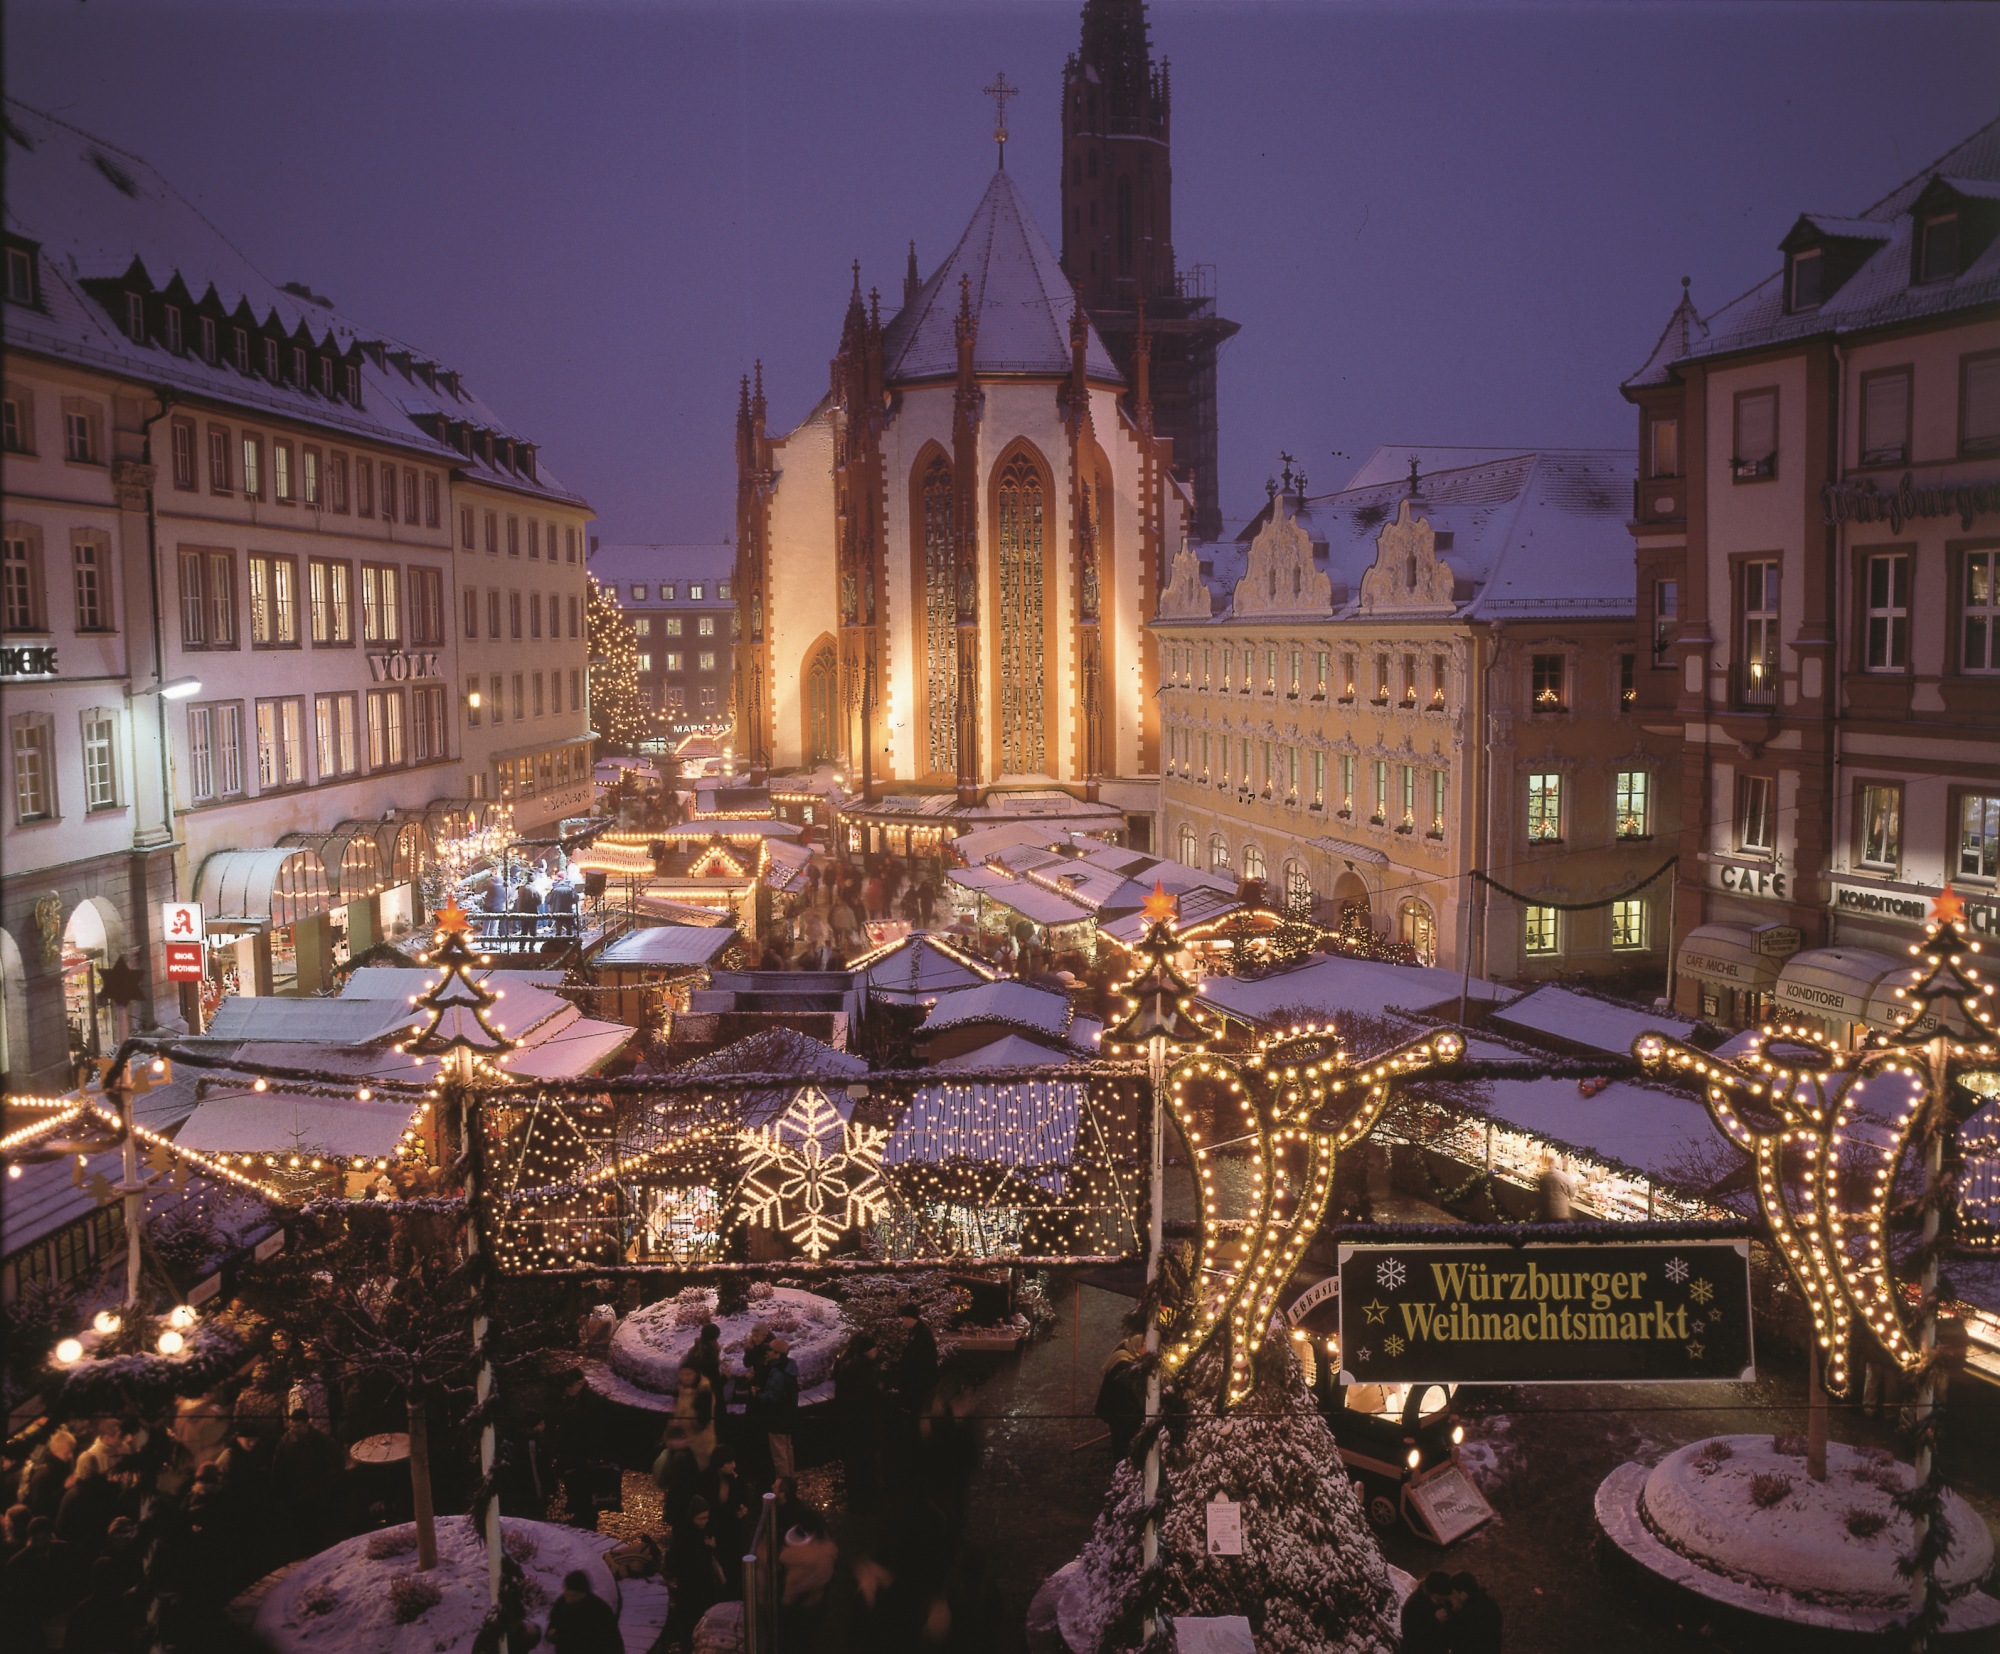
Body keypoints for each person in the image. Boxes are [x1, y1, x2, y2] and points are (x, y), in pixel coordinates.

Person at [833, 1332, 884, 1509]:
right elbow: (876, 1397)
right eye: (874, 1348)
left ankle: (855, 1499)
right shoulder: (870, 1370)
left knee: (853, 1463)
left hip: (850, 1424)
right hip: (867, 1424)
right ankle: (871, 1501)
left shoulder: (847, 1367)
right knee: (870, 1462)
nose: (877, 1350)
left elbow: (839, 1395)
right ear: (867, 1351)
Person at [543, 1568, 622, 1654]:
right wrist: (551, 1633)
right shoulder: (561, 1604)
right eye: (567, 1591)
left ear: (584, 1593)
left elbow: (613, 1643)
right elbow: (553, 1623)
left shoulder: (599, 1611)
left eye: (575, 1595)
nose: (570, 1597)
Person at [760, 1337, 800, 1481]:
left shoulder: (778, 1373)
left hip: (777, 1420)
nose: (767, 1353)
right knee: (788, 1451)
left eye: (770, 1351)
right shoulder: (789, 1369)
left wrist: (758, 1394)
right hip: (788, 1418)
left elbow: (772, 1398)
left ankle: (783, 1487)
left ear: (777, 1354)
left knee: (779, 1455)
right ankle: (790, 1480)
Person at [893, 1301, 939, 1420]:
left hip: (920, 1386)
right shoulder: (916, 1332)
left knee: (918, 1417)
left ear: (910, 1318)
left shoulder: (922, 1336)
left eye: (903, 1318)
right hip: (917, 1384)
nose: (902, 1321)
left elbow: (922, 1363)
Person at [1400, 1570, 1454, 1654]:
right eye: (1442, 1597)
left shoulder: (1443, 1598)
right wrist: (1435, 1621)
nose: (1445, 1599)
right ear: (1433, 1593)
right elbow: (1413, 1637)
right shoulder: (1413, 1606)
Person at [1449, 1571, 1503, 1653]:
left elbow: (1460, 1639)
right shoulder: (1488, 1602)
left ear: (1463, 1593)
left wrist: (1455, 1615)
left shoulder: (1468, 1612)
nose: (1453, 1597)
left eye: (1454, 1593)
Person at [1537, 1153, 1575, 1222]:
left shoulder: (1543, 1177)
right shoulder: (1565, 1176)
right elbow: (1573, 1193)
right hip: (1561, 1216)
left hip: (1545, 1215)